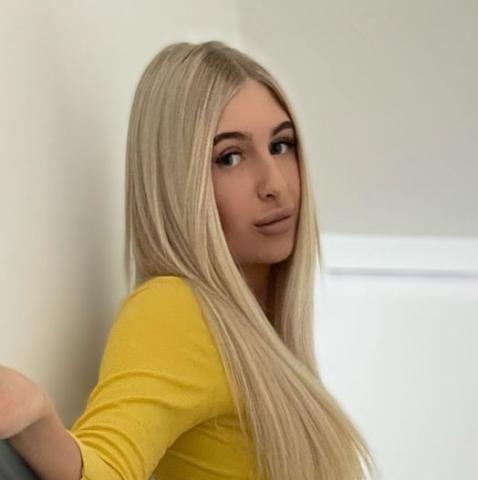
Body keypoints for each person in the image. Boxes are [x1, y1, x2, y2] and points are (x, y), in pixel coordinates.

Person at [0, 40, 378, 480]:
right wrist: (36, 417)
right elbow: (110, 465)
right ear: (179, 182)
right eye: (229, 158)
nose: (274, 184)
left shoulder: (263, 336)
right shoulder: (176, 309)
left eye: (280, 145)